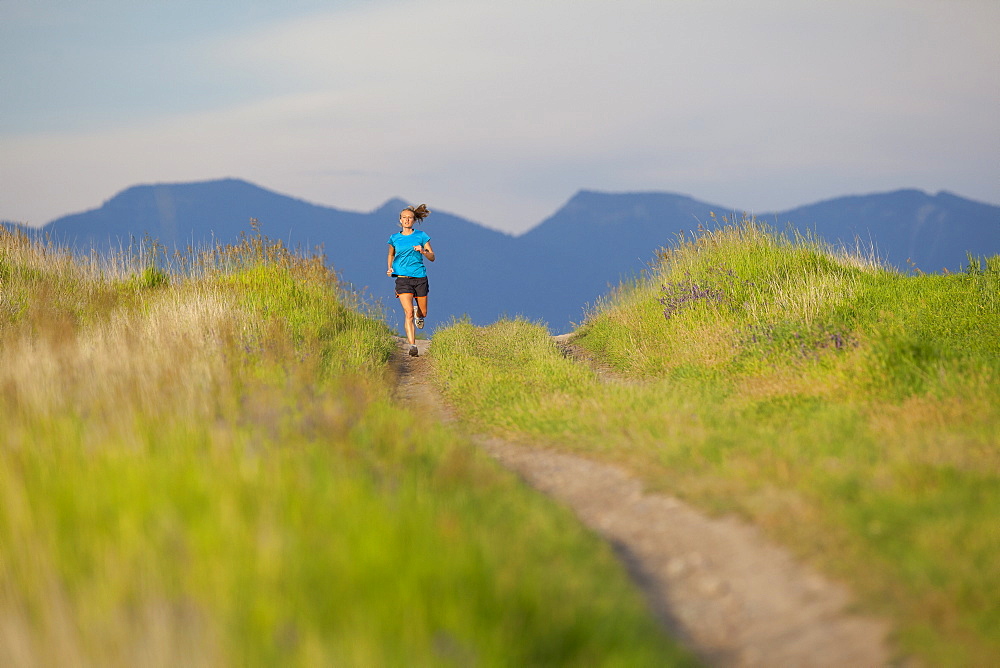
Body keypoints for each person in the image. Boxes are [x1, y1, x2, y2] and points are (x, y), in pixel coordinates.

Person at [386, 204, 434, 356]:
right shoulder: (394, 238)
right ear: (400, 220)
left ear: (414, 220)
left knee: (423, 312)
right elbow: (391, 255)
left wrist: (423, 251)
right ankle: (412, 346)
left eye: (410, 218)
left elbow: (432, 257)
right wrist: (390, 268)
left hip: (419, 277)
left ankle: (418, 313)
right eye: (404, 218)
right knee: (408, 313)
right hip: (402, 279)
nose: (407, 220)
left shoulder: (421, 236)